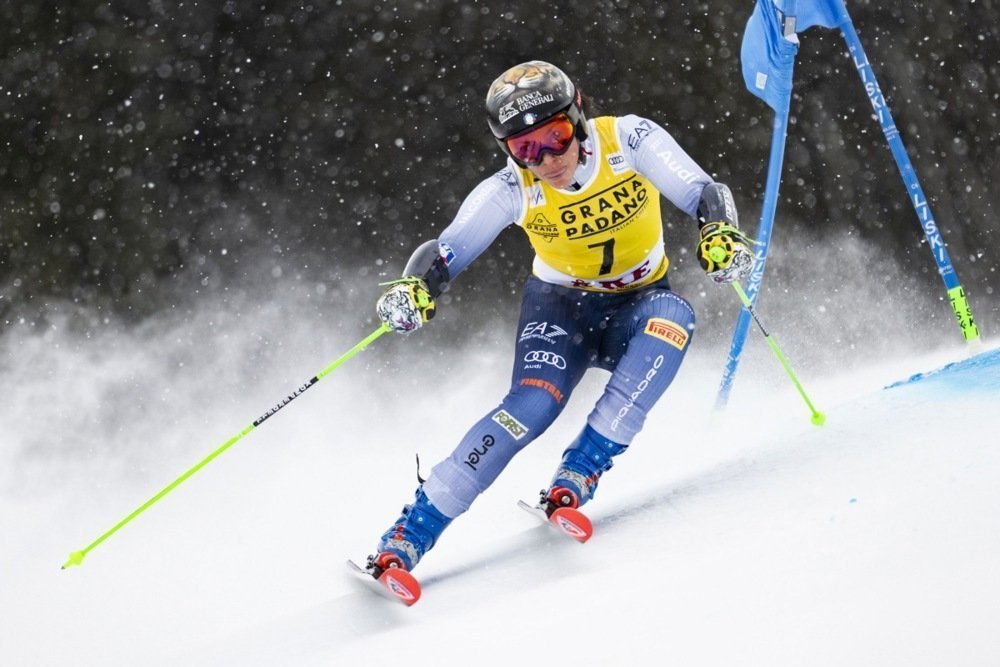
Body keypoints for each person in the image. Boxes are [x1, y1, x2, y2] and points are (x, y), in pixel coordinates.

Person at [366, 60, 753, 578]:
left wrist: (717, 234)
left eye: (554, 136)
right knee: (528, 409)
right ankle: (408, 536)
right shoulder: (512, 188)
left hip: (639, 303)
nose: (545, 159)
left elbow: (705, 192)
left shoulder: (629, 140)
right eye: (523, 149)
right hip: (560, 310)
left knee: (673, 321)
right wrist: (417, 289)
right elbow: (447, 249)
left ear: (578, 117)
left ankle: (578, 473)